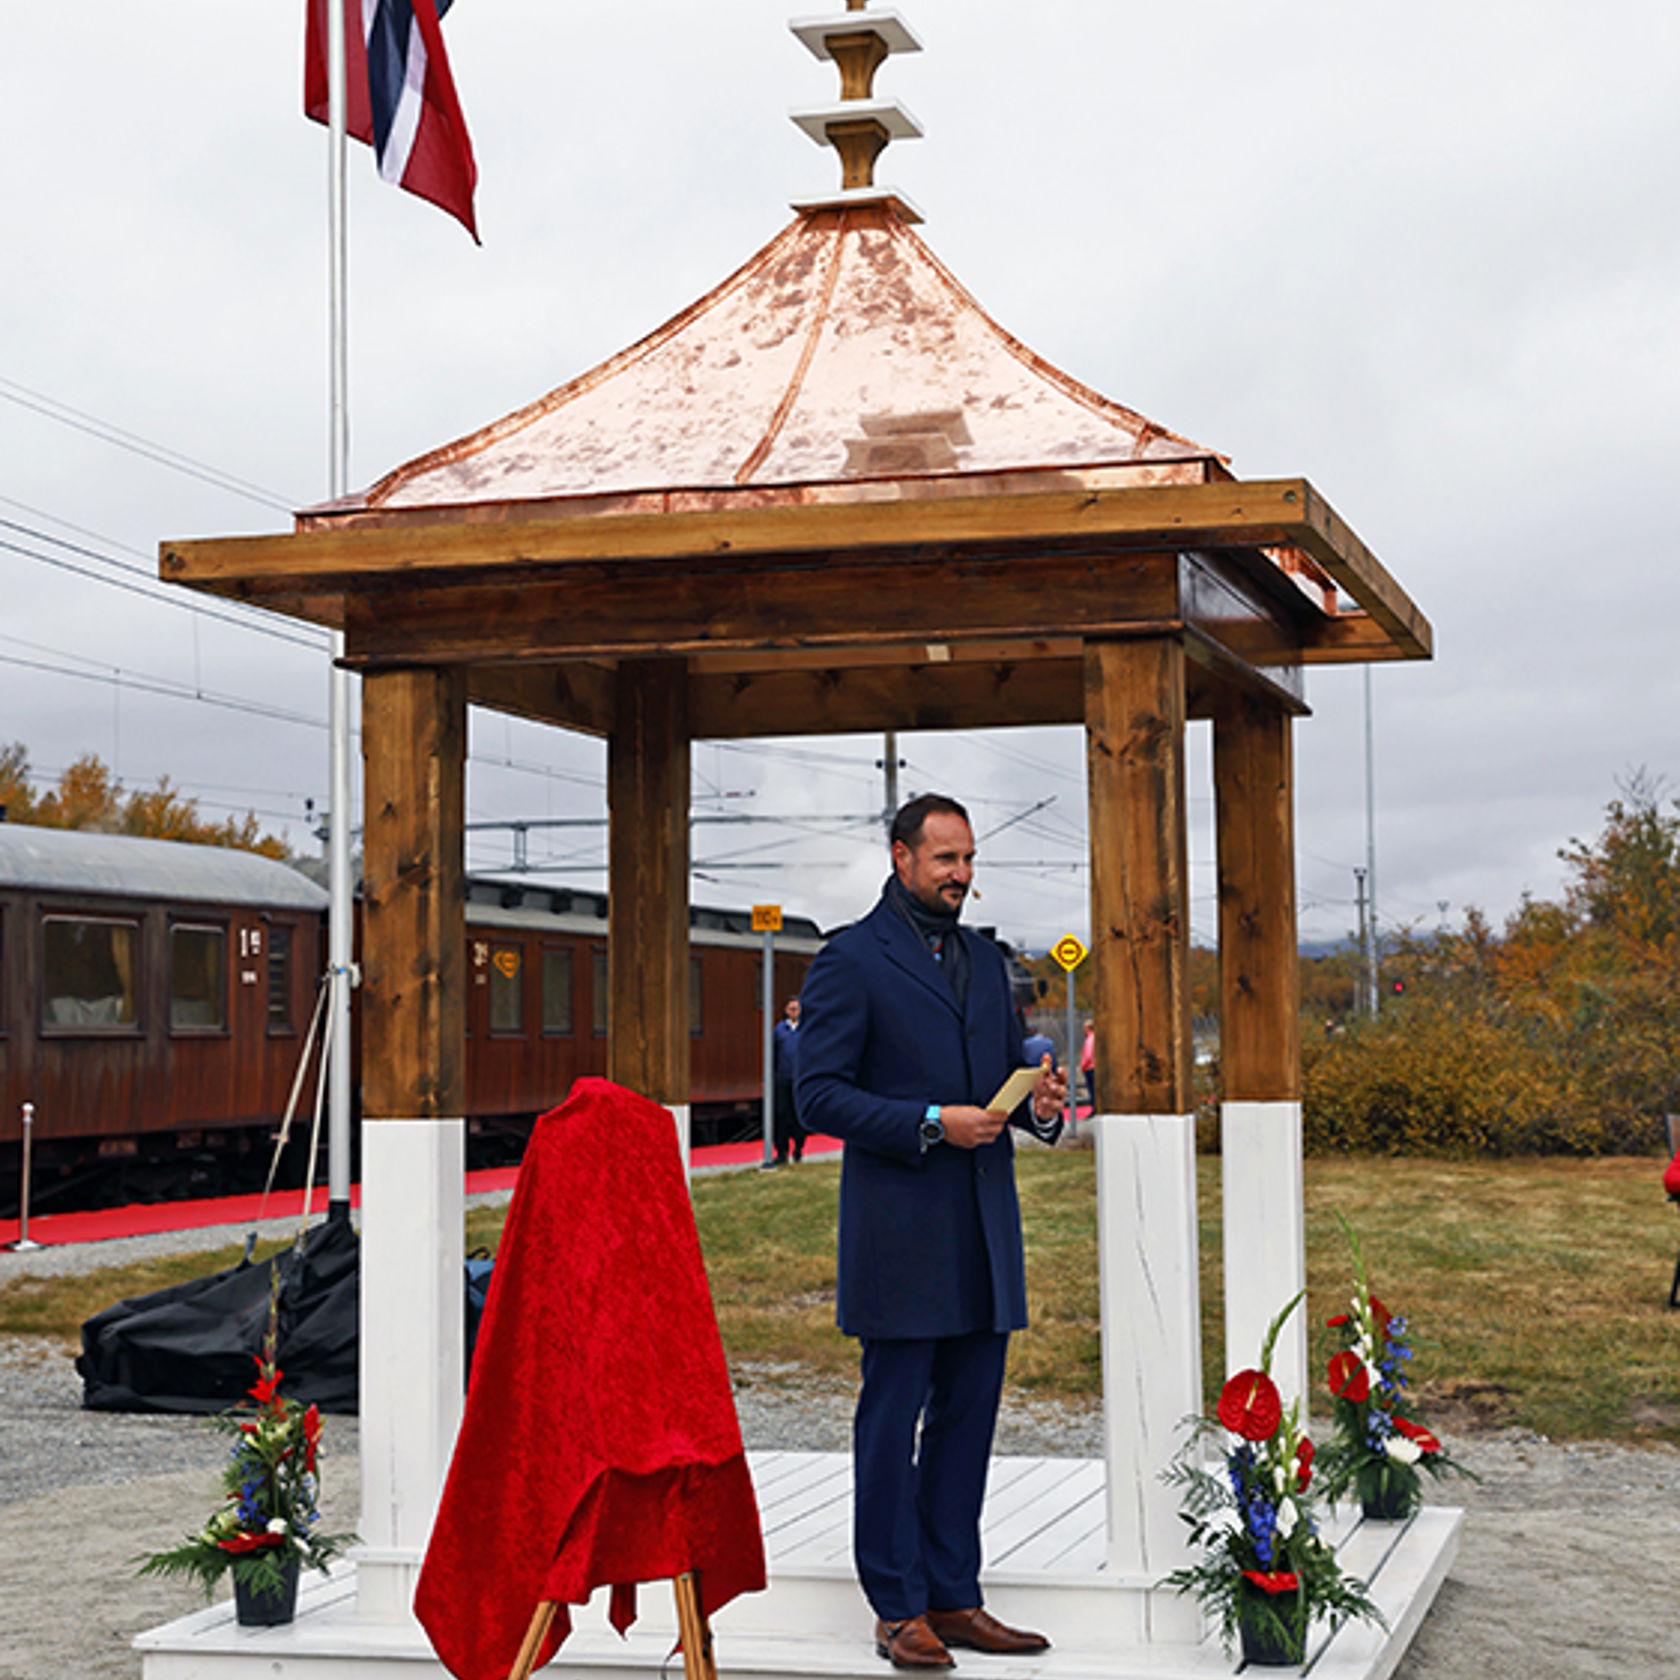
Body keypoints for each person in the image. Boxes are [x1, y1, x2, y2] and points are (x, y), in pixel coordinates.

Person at [795, 793, 1068, 1672]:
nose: (961, 875)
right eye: (946, 859)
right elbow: (819, 1096)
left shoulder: (988, 963)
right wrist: (925, 1120)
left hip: (984, 1229)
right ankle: (895, 1605)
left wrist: (1041, 1108)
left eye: (969, 859)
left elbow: (999, 1078)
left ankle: (954, 1597)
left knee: (968, 1420)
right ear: (901, 856)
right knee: (892, 1419)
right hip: (901, 1233)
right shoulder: (848, 960)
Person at [771, 997, 806, 1164]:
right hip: (782, 1079)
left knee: (798, 1116)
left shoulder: (805, 1030)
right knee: (781, 1115)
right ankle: (781, 1151)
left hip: (799, 1079)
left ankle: (798, 1149)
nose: (794, 1012)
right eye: (791, 1008)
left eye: (797, 1009)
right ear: (786, 1010)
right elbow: (773, 1054)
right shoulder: (779, 1031)